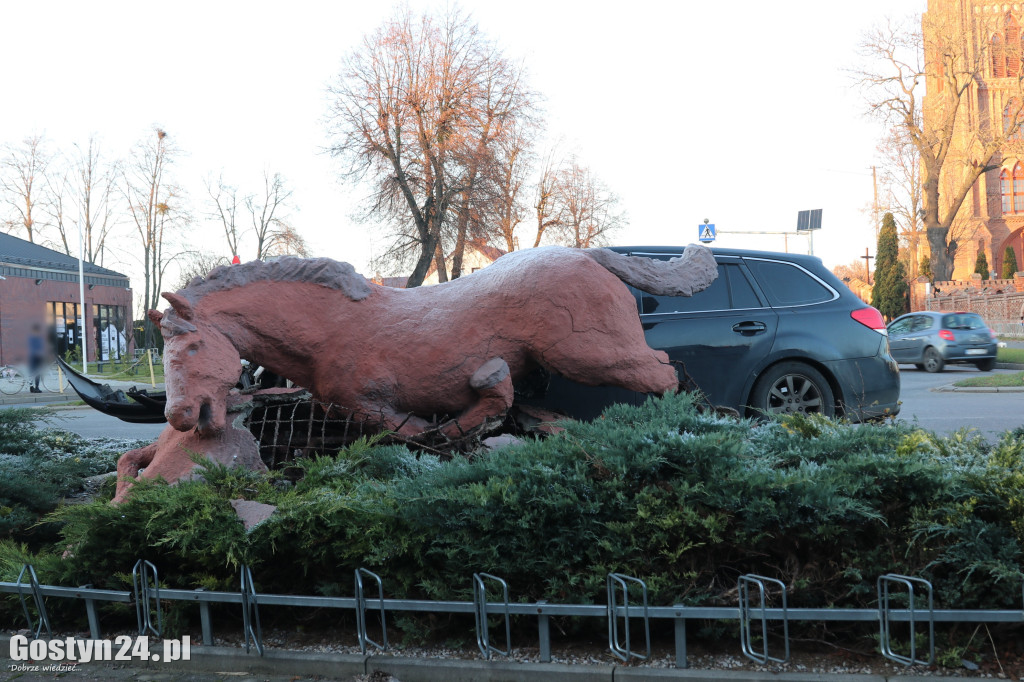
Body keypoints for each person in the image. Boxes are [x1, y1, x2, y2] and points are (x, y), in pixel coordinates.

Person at [27, 323, 45, 393]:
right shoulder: (33, 338)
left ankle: (35, 387)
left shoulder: (37, 338)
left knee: (36, 372)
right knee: (34, 373)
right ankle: (33, 387)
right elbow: (33, 348)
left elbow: (41, 347)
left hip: (36, 357)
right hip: (34, 357)